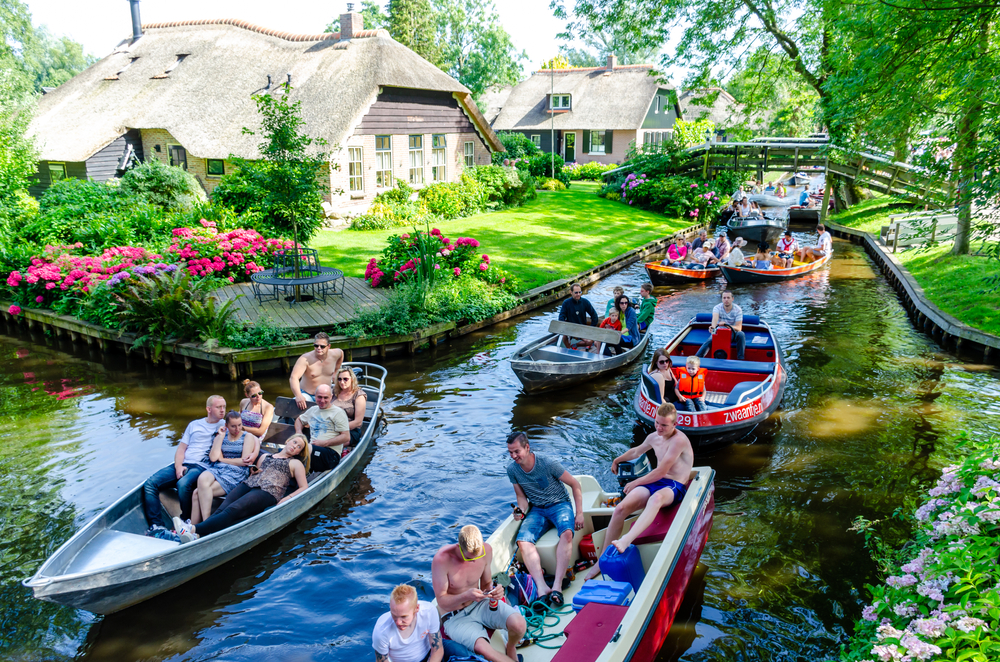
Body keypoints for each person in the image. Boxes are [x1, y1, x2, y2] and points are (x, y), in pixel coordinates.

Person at [584, 403, 693, 579]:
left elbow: (661, 471)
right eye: (657, 423)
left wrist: (636, 482)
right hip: (656, 481)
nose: (659, 428)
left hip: (674, 484)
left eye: (664, 425)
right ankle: (601, 560)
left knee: (655, 499)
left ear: (675, 424)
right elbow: (636, 451)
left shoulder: (678, 441)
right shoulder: (654, 436)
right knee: (620, 508)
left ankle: (626, 540)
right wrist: (617, 460)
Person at [174, 434, 310, 542]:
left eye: (299, 447)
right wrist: (254, 471)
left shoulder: (295, 463)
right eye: (294, 442)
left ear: (299, 452)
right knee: (223, 508)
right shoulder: (264, 456)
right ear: (288, 441)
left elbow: (304, 487)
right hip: (249, 484)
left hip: (268, 491)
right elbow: (256, 472)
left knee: (234, 509)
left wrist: (287, 498)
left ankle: (192, 529)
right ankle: (197, 536)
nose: (295, 446)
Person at [506, 432, 583, 607]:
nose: (513, 456)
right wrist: (520, 511)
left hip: (559, 504)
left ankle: (557, 586)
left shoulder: (547, 463)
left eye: (516, 451)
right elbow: (521, 497)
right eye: (510, 452)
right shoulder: (512, 470)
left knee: (567, 533)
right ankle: (541, 587)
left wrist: (579, 513)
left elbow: (575, 484)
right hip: (537, 509)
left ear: (527, 447)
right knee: (523, 541)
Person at [432, 525, 527, 662]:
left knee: (519, 624)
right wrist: (466, 595)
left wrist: (495, 590)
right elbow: (441, 601)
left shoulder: (486, 550)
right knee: (486, 650)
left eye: (478, 556)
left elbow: (486, 585)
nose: (474, 561)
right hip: (454, 616)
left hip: (480, 604)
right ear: (459, 547)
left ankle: (511, 647)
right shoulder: (442, 559)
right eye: (469, 558)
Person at [142, 395, 226, 533]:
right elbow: (181, 449)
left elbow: (240, 431)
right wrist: (178, 467)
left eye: (224, 407)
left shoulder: (225, 426)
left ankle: (185, 521)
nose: (223, 410)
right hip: (185, 462)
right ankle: (157, 525)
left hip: (202, 466)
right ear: (209, 409)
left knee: (183, 484)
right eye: (219, 407)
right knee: (150, 483)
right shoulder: (194, 425)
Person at [190, 411, 260, 526]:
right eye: (233, 426)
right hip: (218, 468)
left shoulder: (247, 437)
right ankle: (198, 527)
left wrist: (223, 459)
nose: (237, 429)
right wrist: (220, 437)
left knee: (196, 493)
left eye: (239, 425)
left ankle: (203, 525)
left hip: (236, 473)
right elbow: (213, 458)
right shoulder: (222, 435)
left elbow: (244, 462)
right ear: (226, 425)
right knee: (202, 478)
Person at [372, 584, 444, 662]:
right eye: (394, 615)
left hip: (429, 654)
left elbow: (437, 650)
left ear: (416, 608)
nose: (398, 622)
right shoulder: (382, 631)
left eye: (403, 617)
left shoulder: (429, 612)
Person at [295, 383, 350, 471]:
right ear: (315, 396)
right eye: (319, 397)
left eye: (326, 397)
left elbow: (346, 437)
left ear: (331, 397)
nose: (322, 400)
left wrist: (325, 443)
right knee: (293, 447)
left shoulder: (338, 412)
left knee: (301, 448)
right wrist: (299, 433)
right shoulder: (313, 410)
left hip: (330, 454)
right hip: (312, 451)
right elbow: (299, 420)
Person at [290, 332, 345, 411]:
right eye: (316, 345)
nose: (319, 348)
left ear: (328, 346)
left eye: (322, 346)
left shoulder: (335, 354)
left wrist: (336, 371)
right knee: (296, 407)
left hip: (326, 395)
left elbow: (341, 353)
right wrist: (298, 396)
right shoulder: (305, 359)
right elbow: (293, 377)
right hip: (308, 394)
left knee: (339, 409)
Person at [696, 290, 745, 360]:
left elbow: (739, 328)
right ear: (722, 299)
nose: (726, 300)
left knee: (741, 334)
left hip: (732, 333)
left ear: (732, 299)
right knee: (711, 338)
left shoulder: (738, 310)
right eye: (724, 298)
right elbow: (715, 319)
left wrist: (726, 325)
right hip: (719, 332)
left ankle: (741, 359)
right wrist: (713, 328)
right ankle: (697, 358)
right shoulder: (717, 308)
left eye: (728, 298)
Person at [332, 367, 367, 452]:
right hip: (331, 426)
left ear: (352, 379)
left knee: (331, 444)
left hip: (350, 430)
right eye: (339, 379)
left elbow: (358, 422)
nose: (342, 382)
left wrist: (337, 429)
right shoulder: (334, 392)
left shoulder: (359, 395)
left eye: (345, 379)